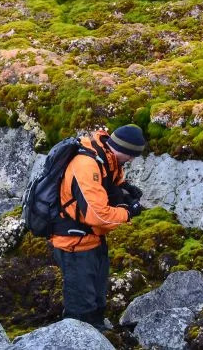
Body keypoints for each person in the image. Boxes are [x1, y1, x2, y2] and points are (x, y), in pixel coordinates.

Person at [50, 124, 146, 331]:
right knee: (81, 307)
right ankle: (75, 338)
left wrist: (124, 190)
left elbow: (111, 182)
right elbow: (98, 215)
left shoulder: (107, 157)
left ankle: (98, 331)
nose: (131, 160)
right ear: (122, 149)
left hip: (93, 239)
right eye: (131, 155)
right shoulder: (86, 165)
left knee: (97, 299)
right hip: (73, 243)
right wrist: (128, 213)